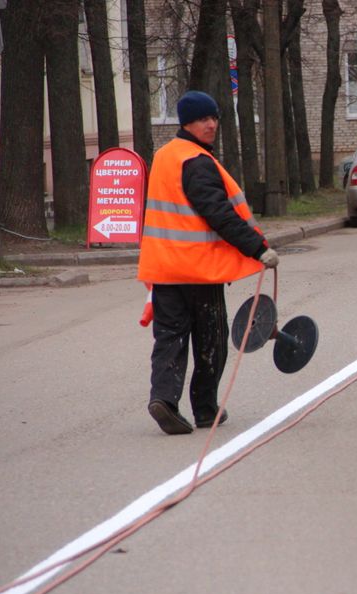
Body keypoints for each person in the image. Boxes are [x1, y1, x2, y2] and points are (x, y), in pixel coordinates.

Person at [137, 90, 279, 435]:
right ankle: (204, 408)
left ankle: (163, 400)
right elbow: (219, 214)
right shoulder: (197, 162)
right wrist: (258, 248)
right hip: (199, 271)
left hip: (164, 270)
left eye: (214, 117)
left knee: (169, 337)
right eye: (204, 118)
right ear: (187, 122)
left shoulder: (165, 156)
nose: (211, 124)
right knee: (211, 340)